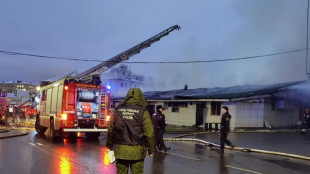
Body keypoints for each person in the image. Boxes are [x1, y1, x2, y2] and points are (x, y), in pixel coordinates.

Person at [106, 88, 155, 174]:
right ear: (140, 97)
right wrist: (151, 150)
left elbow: (110, 130)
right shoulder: (143, 112)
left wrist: (109, 145)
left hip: (120, 151)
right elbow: (149, 133)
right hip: (137, 152)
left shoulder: (117, 111)